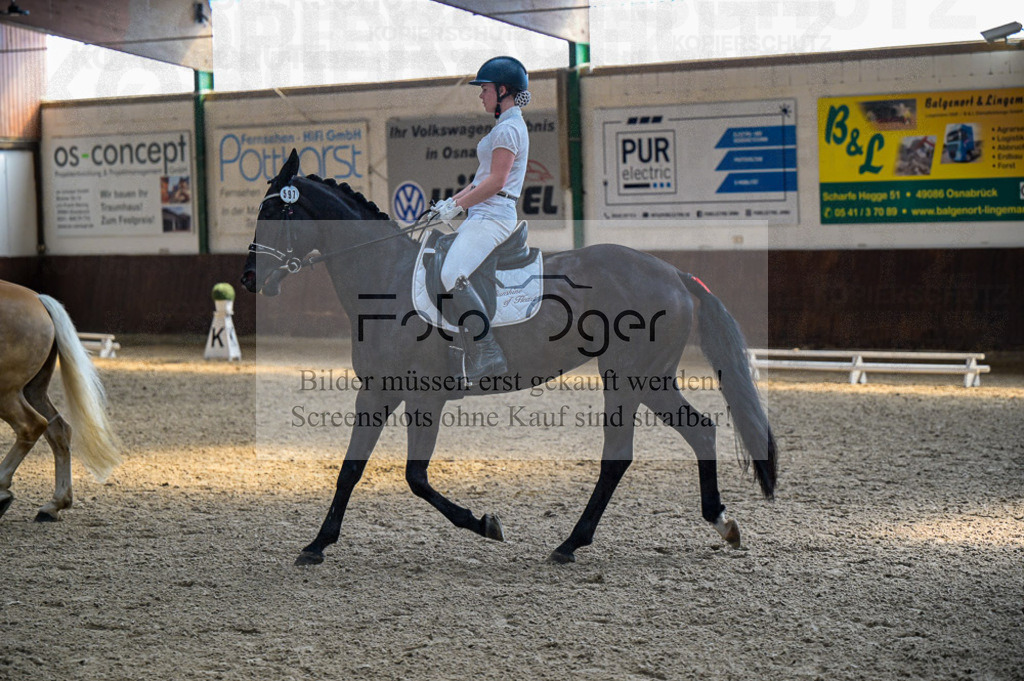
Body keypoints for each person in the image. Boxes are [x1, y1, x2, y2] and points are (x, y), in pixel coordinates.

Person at [430, 56, 532, 385]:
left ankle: (487, 349)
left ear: (503, 90)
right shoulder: (502, 128)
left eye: (485, 89)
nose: (481, 95)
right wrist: (450, 203)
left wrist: (457, 209)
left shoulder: (509, 129)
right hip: (483, 212)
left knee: (451, 273)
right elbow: (478, 181)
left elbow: (496, 182)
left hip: (494, 215)